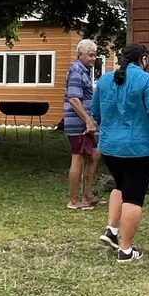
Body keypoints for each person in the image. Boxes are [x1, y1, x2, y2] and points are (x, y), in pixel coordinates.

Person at [90, 42, 149, 263]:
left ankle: (111, 230)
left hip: (110, 146)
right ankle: (125, 250)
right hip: (138, 147)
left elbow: (96, 112)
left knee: (120, 185)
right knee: (133, 196)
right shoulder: (147, 80)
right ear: (143, 59)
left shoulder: (104, 80)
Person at [63, 39, 100, 209]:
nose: (94, 58)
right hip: (79, 123)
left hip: (85, 123)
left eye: (95, 55)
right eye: (90, 55)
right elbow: (73, 98)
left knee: (93, 155)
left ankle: (88, 195)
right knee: (78, 157)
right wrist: (87, 120)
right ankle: (73, 200)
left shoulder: (84, 71)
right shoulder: (77, 70)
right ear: (80, 55)